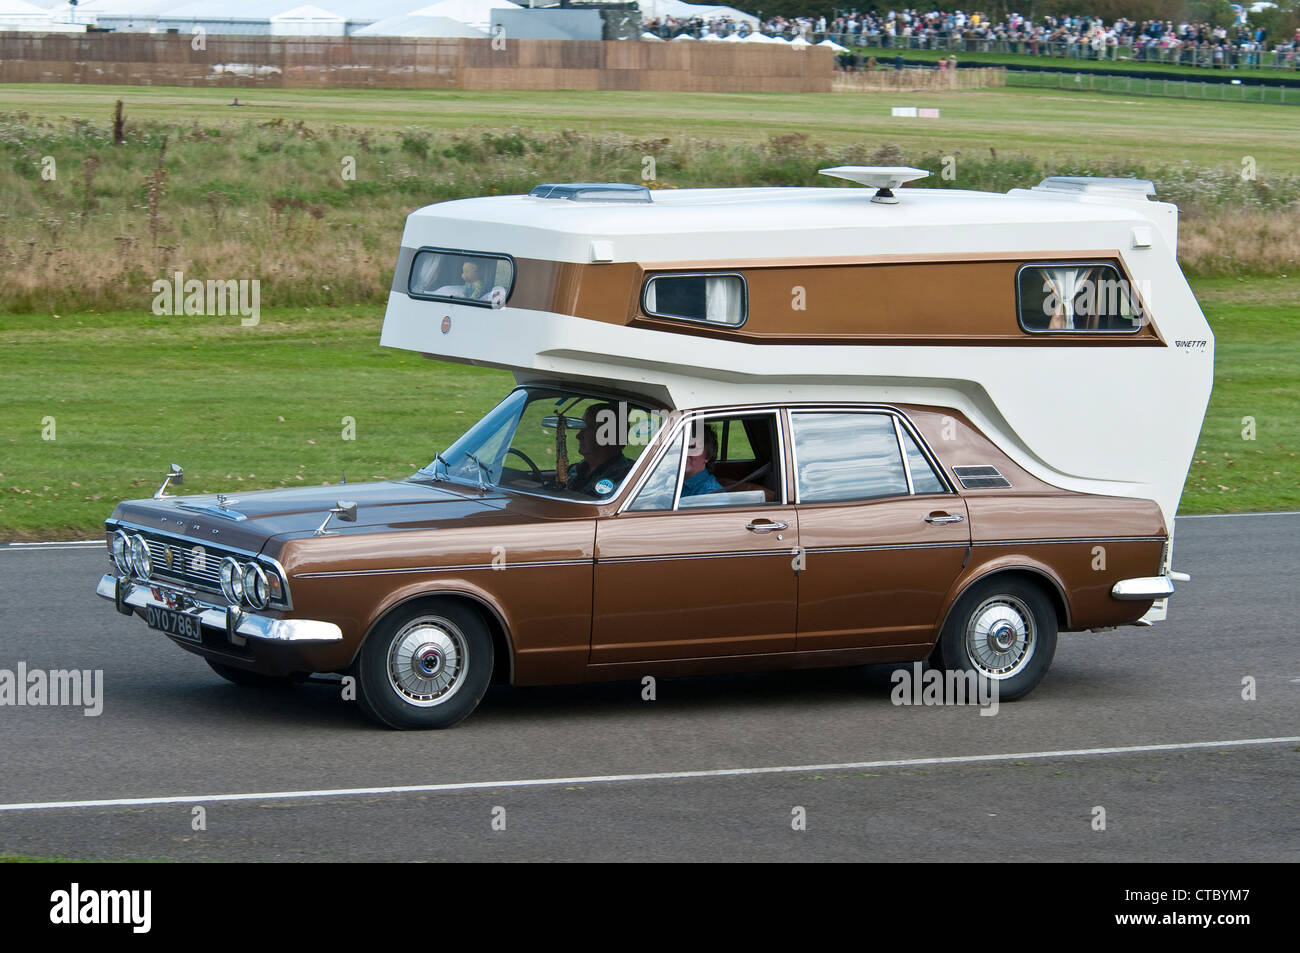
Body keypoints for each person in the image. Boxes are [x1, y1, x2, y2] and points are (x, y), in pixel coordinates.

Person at [565, 403, 634, 497]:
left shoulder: (625, 478)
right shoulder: (574, 470)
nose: (578, 436)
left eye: (587, 428)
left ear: (608, 435)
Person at [682, 423, 724, 496]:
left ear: (707, 456)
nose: (684, 452)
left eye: (692, 447)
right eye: (680, 446)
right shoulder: (669, 481)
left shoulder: (710, 494)